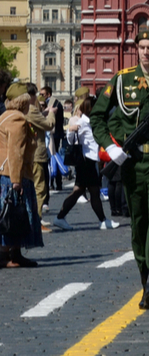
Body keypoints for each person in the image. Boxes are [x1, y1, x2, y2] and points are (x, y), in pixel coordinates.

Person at [90, 28, 149, 309]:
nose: (146, 52)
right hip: (131, 161)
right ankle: (146, 276)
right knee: (140, 225)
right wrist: (110, 148)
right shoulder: (122, 80)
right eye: (141, 47)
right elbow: (98, 116)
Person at [53, 96, 120, 232]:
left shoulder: (90, 122)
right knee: (92, 192)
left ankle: (60, 217)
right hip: (86, 161)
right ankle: (103, 220)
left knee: (80, 191)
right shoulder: (83, 122)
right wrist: (71, 130)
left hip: (89, 161)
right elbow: (71, 140)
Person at [0, 82, 42, 268]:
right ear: (22, 102)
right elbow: (15, 151)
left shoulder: (4, 116)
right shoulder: (18, 120)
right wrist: (16, 180)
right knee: (14, 215)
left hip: (4, 172)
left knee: (11, 215)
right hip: (13, 174)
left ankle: (14, 253)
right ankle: (7, 255)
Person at [28, 91, 56, 232]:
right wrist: (50, 112)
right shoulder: (31, 109)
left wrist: (44, 113)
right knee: (40, 189)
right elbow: (49, 125)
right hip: (36, 154)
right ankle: (36, 223)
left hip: (31, 155)